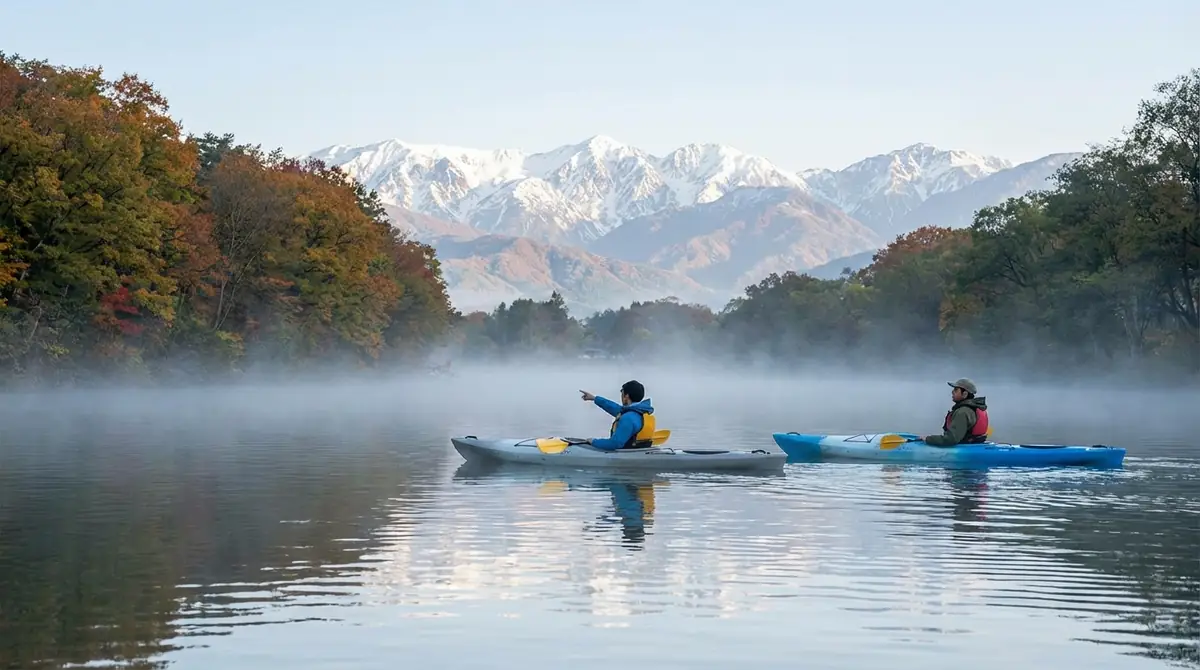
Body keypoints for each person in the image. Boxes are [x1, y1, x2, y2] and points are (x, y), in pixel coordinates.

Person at [578, 380, 657, 450]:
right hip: (639, 449)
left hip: (626, 455)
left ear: (626, 396)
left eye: (622, 392)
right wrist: (594, 398)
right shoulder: (640, 411)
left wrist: (593, 441)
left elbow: (615, 443)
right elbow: (613, 407)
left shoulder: (628, 418)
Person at [923, 378, 989, 446]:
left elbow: (951, 439)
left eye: (956, 390)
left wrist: (928, 439)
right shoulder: (970, 409)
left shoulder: (962, 412)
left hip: (965, 450)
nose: (952, 392)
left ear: (964, 394)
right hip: (974, 445)